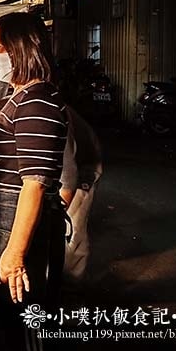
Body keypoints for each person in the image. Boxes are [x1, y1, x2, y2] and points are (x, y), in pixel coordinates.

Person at [0, 12, 68, 351]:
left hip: (22, 239)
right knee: (8, 326)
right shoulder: (19, 97)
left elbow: (33, 185)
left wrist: (14, 255)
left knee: (28, 335)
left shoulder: (37, 102)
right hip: (5, 233)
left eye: (0, 46)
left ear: (24, 48)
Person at [59, 107, 103, 284]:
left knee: (73, 231)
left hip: (83, 170)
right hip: (70, 166)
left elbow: (68, 175)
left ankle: (72, 287)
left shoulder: (53, 114)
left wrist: (60, 208)